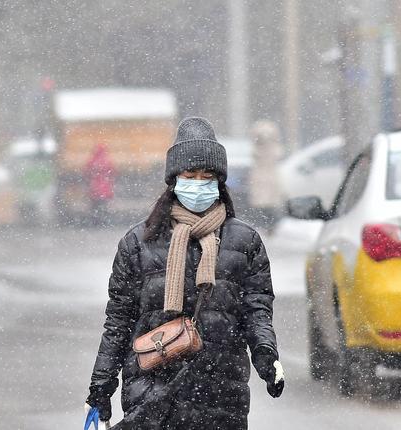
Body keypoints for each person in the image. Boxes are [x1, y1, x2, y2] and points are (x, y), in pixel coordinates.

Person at [85, 117, 284, 430]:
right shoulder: (138, 243)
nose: (199, 183)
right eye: (190, 175)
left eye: (207, 176)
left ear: (220, 182)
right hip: (153, 395)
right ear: (174, 179)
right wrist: (101, 383)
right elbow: (119, 322)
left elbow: (256, 310)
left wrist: (265, 353)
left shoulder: (245, 242)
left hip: (222, 393)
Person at [248, 120, 284, 235]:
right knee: (261, 205)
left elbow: (277, 155)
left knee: (270, 205)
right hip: (261, 180)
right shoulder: (257, 151)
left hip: (270, 180)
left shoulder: (274, 150)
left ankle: (270, 226)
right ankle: (264, 225)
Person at [84, 143, 115, 226]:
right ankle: (104, 221)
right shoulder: (107, 161)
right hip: (105, 188)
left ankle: (95, 221)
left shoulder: (92, 160)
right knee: (104, 205)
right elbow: (113, 171)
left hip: (94, 188)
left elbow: (87, 171)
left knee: (94, 206)